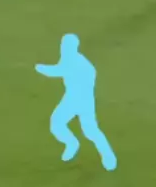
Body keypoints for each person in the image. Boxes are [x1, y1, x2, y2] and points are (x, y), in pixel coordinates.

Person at [35, 33, 117, 171]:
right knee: (58, 123)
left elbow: (57, 71)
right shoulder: (70, 57)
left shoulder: (75, 60)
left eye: (65, 45)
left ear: (72, 46)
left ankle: (107, 156)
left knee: (88, 130)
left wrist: (40, 68)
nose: (62, 47)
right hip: (75, 97)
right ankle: (73, 144)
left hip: (80, 98)